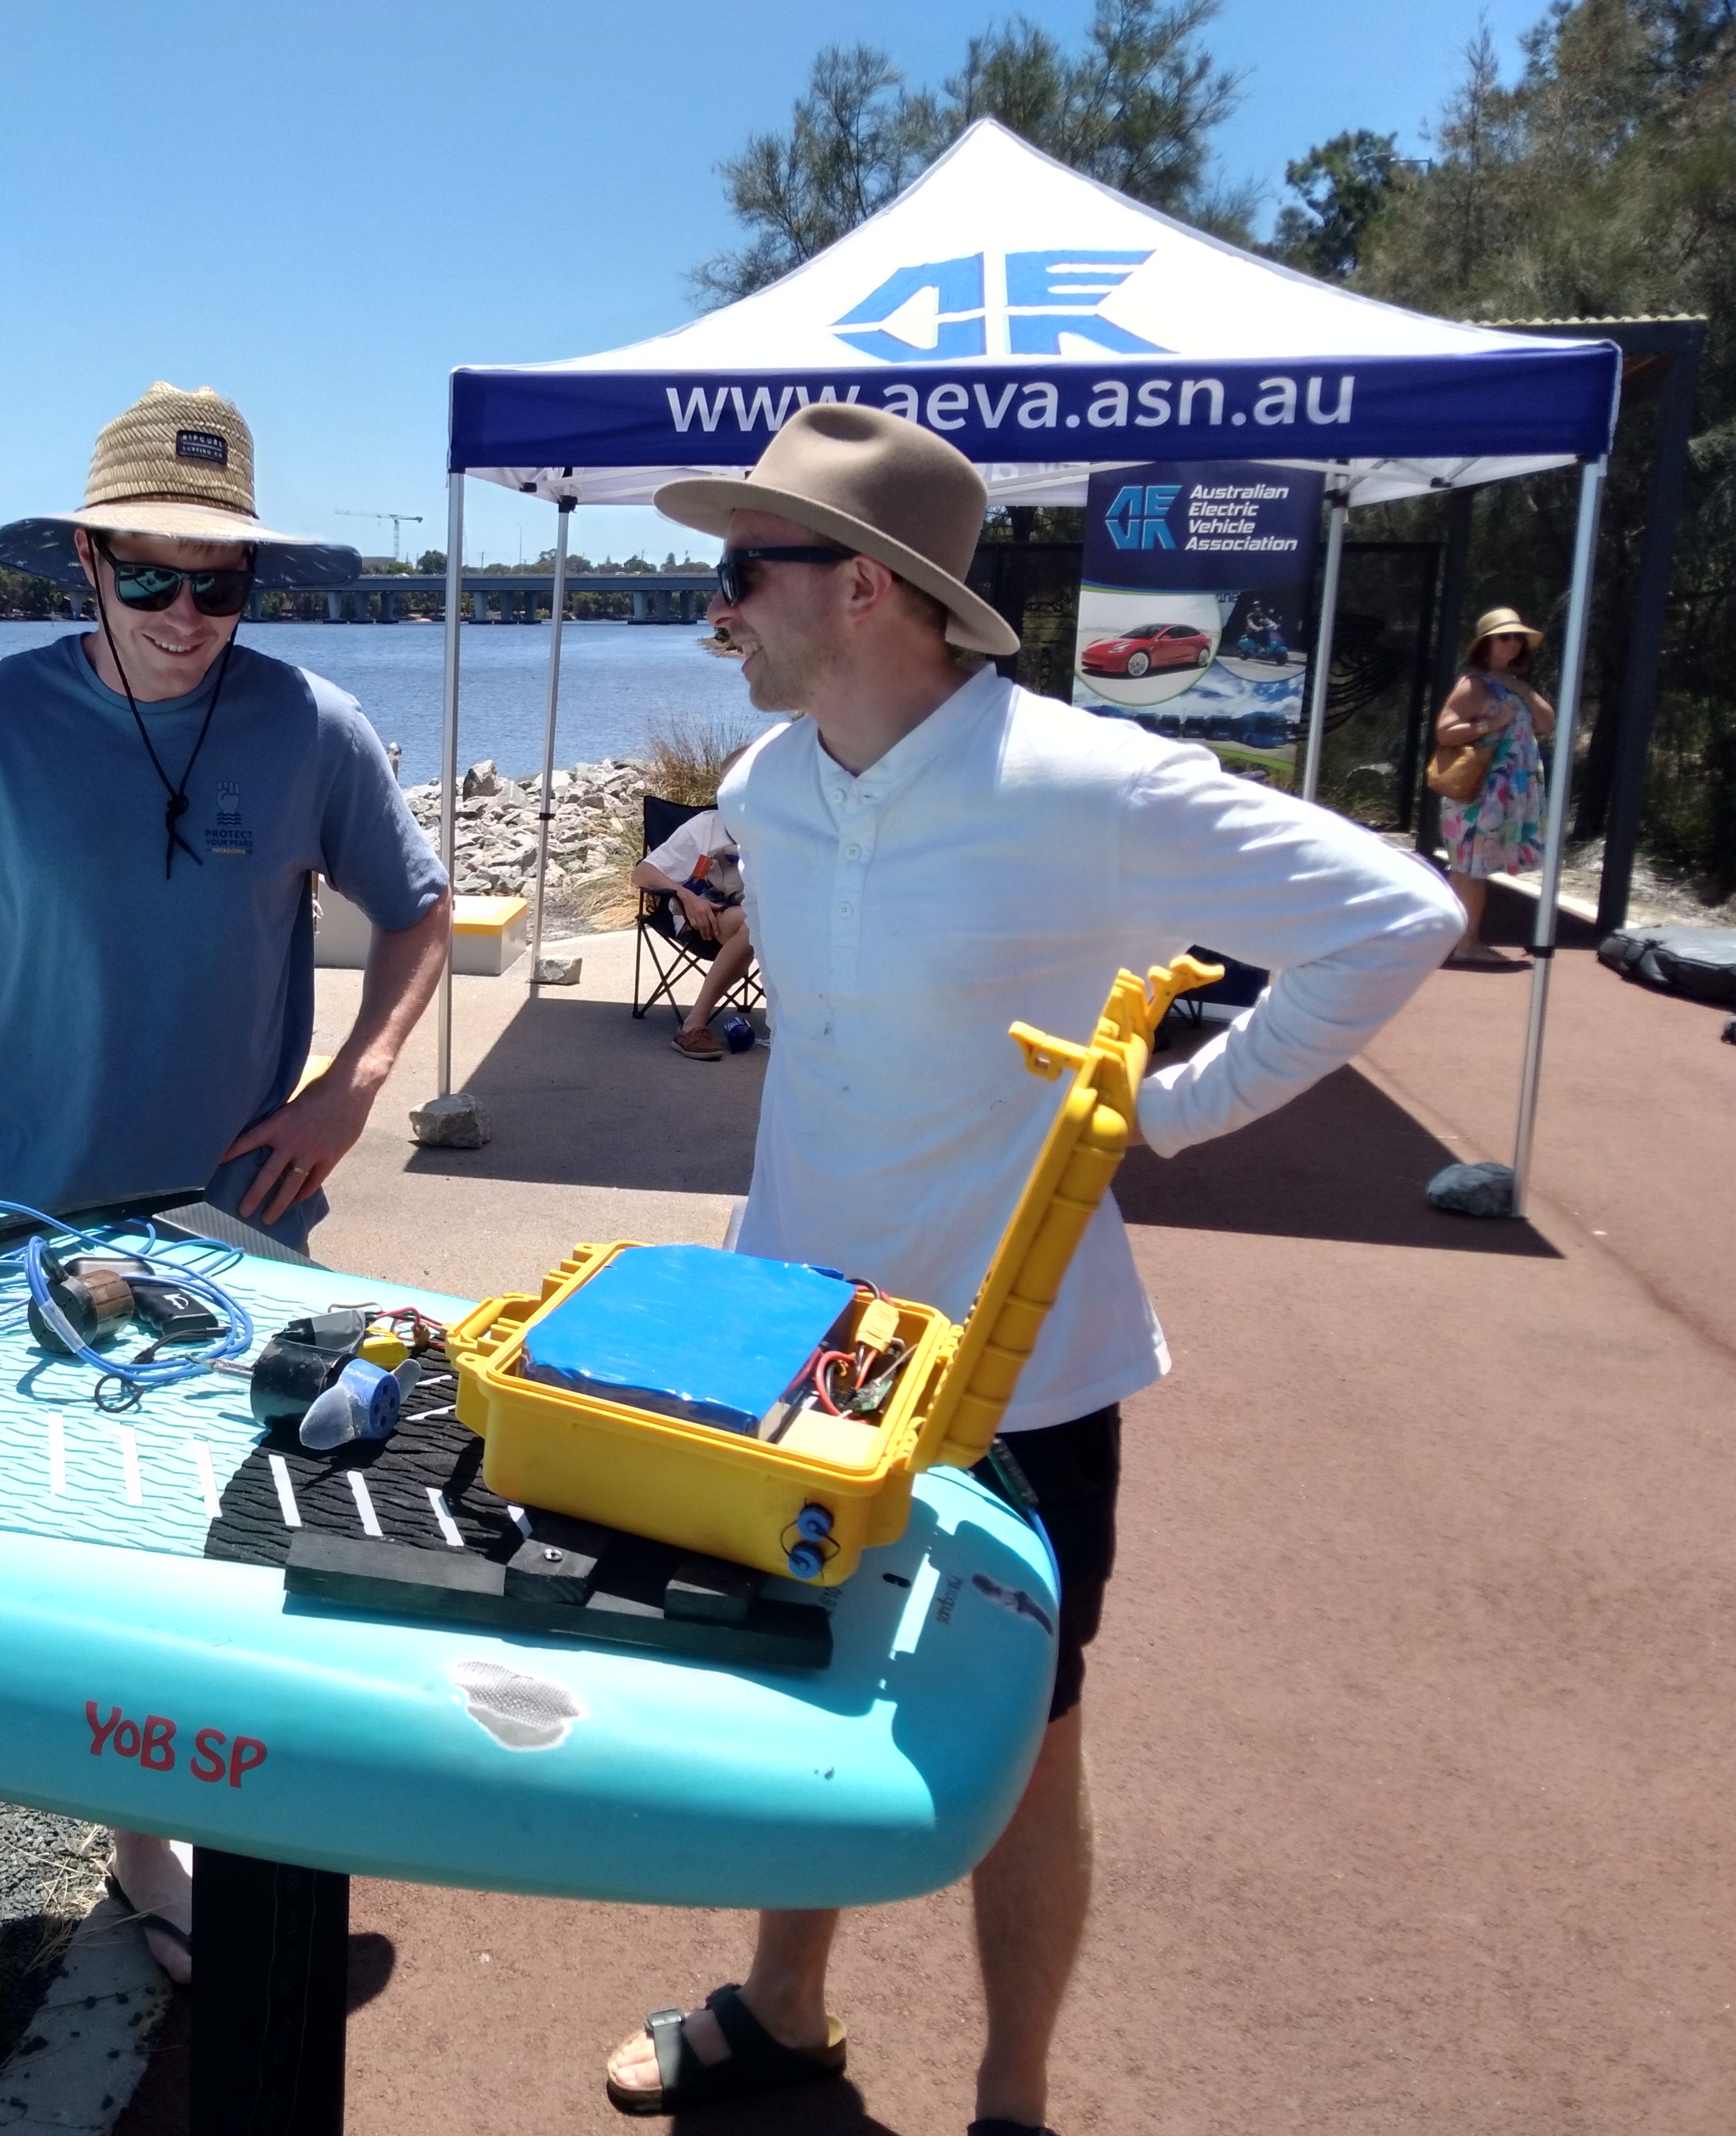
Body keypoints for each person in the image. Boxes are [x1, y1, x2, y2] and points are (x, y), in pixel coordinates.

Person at [598, 403, 1460, 2133]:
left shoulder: (1090, 782)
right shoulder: (770, 778)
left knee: (1033, 1741)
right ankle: (780, 2008)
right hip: (802, 1344)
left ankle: (1014, 2095)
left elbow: (1396, 914)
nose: (713, 609)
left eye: (735, 569)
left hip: (1024, 1370)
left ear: (860, 589)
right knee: (797, 1678)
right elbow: (815, 940)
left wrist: (1171, 1110)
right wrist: (716, 895)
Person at [0, 381, 452, 2030]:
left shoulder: (311, 726)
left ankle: (145, 1848)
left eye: (220, 581)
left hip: (236, 1244)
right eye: (153, 575)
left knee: (182, 1570)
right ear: (85, 563)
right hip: (10, 1233)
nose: (187, 615)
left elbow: (420, 913)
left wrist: (357, 1081)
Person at [1432, 607, 1556, 970]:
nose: (1514, 643)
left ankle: (1459, 941)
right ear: (1486, 643)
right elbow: (1444, 732)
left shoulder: (1511, 683)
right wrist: (1490, 723)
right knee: (1470, 866)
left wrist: (1523, 690)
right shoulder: (1474, 685)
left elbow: (1546, 722)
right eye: (1505, 636)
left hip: (1505, 788)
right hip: (1480, 788)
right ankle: (1466, 944)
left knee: (1471, 866)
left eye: (1518, 637)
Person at [631, 763, 756, 1058]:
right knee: (756, 925)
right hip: (703, 913)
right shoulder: (706, 826)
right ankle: (693, 1025)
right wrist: (685, 895)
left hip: (769, 919)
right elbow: (642, 873)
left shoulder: (777, 832)